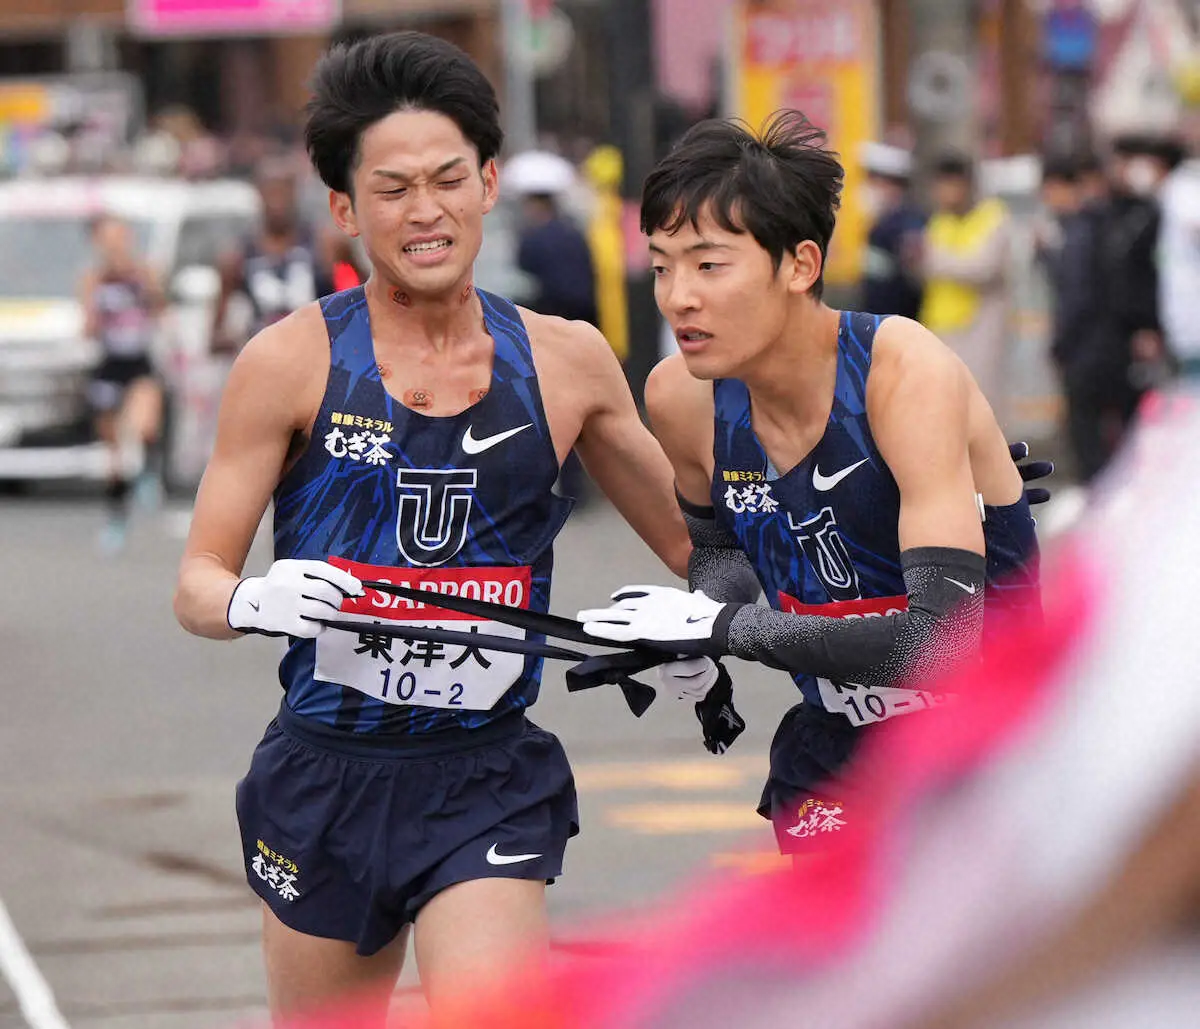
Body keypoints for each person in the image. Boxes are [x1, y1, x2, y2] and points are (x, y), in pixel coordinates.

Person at [172, 30, 690, 1027]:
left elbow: (695, 543)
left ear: (489, 183)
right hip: (326, 773)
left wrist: (707, 621)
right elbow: (196, 581)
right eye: (394, 188)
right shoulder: (290, 362)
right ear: (345, 207)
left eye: (449, 179)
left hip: (486, 776)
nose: (426, 211)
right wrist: (248, 598)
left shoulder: (567, 361)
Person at [578, 112, 1040, 857]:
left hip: (989, 750)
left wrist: (727, 629)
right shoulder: (681, 397)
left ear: (799, 264)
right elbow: (720, 553)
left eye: (708, 264)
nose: (677, 297)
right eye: (661, 266)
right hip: (834, 749)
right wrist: (691, 624)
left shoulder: (900, 370)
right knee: (843, 962)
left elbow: (943, 643)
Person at [79, 213, 165, 553]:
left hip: (139, 363)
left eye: (119, 237)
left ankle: (148, 471)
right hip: (108, 364)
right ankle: (117, 517)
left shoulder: (144, 271)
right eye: (106, 238)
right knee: (112, 450)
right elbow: (87, 326)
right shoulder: (92, 278)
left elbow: (161, 307)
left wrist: (142, 283)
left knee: (144, 427)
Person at [918, 153, 1013, 420]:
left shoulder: (993, 218)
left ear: (966, 185)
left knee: (981, 407)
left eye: (948, 185)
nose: (942, 193)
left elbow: (982, 268)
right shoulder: (939, 222)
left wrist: (934, 259)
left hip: (980, 329)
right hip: (942, 327)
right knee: (945, 408)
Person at [212, 156, 337, 353]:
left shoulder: (325, 243)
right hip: (266, 361)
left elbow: (361, 294)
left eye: (284, 191)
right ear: (258, 193)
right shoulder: (238, 255)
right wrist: (233, 342)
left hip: (320, 355)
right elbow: (216, 333)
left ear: (295, 192)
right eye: (271, 191)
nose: (278, 201)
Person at [858, 141, 925, 321]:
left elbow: (913, 280)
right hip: (877, 324)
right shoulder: (881, 223)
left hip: (898, 324)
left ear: (893, 185)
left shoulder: (907, 224)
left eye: (874, 181)